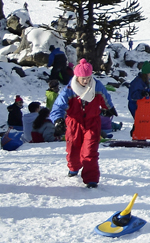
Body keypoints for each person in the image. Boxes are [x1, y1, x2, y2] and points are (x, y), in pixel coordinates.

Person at [47, 59, 109, 187]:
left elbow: (105, 97)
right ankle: (73, 167)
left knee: (90, 152)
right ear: (77, 77)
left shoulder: (97, 86)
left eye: (88, 77)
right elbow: (58, 107)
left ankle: (91, 179)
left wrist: (109, 108)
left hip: (92, 123)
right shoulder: (69, 90)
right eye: (83, 78)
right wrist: (58, 120)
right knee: (73, 151)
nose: (86, 81)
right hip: (74, 124)